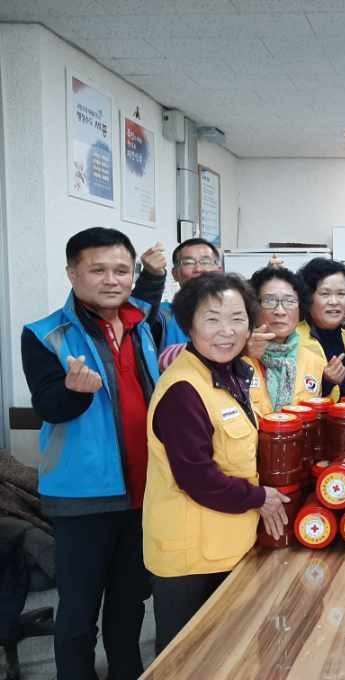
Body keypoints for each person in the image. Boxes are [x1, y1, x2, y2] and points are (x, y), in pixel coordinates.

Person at [21, 227, 161, 680]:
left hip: (145, 491)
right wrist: (73, 391)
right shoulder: (45, 333)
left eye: (122, 270)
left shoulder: (145, 322)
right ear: (72, 273)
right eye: (97, 269)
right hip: (83, 497)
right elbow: (48, 406)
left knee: (129, 602)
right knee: (79, 612)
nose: (111, 279)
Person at [143, 273, 290, 653]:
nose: (226, 331)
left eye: (237, 318)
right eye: (212, 320)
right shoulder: (183, 390)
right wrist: (260, 497)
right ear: (189, 325)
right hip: (191, 557)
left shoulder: (233, 374)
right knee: (188, 659)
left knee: (228, 654)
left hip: (227, 544)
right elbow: (198, 477)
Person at [244, 267, 325, 414]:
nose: (280, 311)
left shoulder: (315, 362)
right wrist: (243, 354)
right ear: (253, 306)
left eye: (289, 301)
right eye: (269, 301)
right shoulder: (237, 358)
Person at [296, 258, 345, 401]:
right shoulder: (291, 341)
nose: (334, 301)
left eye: (341, 294)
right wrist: (325, 383)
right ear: (308, 297)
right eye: (325, 294)